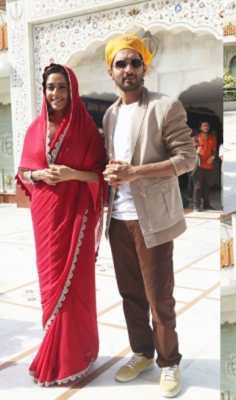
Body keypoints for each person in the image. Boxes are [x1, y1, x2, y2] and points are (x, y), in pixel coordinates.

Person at [101, 34, 195, 397]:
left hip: (151, 219)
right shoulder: (110, 114)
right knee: (130, 294)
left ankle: (169, 362)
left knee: (160, 298)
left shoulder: (164, 106)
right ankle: (141, 352)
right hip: (118, 220)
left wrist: (134, 172)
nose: (128, 69)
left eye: (134, 62)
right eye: (121, 64)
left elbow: (186, 160)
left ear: (145, 67)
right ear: (111, 71)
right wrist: (112, 174)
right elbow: (115, 163)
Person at [16, 64, 106, 386]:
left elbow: (100, 176)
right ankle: (54, 348)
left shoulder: (86, 130)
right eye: (50, 87)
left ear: (72, 90)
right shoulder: (34, 129)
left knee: (77, 287)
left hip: (76, 218)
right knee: (50, 285)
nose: (55, 94)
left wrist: (71, 174)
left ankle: (75, 353)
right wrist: (40, 174)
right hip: (45, 218)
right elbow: (24, 173)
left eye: (62, 88)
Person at [193, 121, 217, 210]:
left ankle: (207, 205)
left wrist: (213, 157)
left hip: (209, 165)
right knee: (198, 186)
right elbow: (191, 149)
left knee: (207, 186)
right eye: (204, 126)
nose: (206, 127)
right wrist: (196, 151)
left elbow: (214, 150)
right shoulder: (196, 137)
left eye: (207, 125)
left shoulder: (212, 137)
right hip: (199, 165)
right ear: (200, 127)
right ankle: (196, 206)